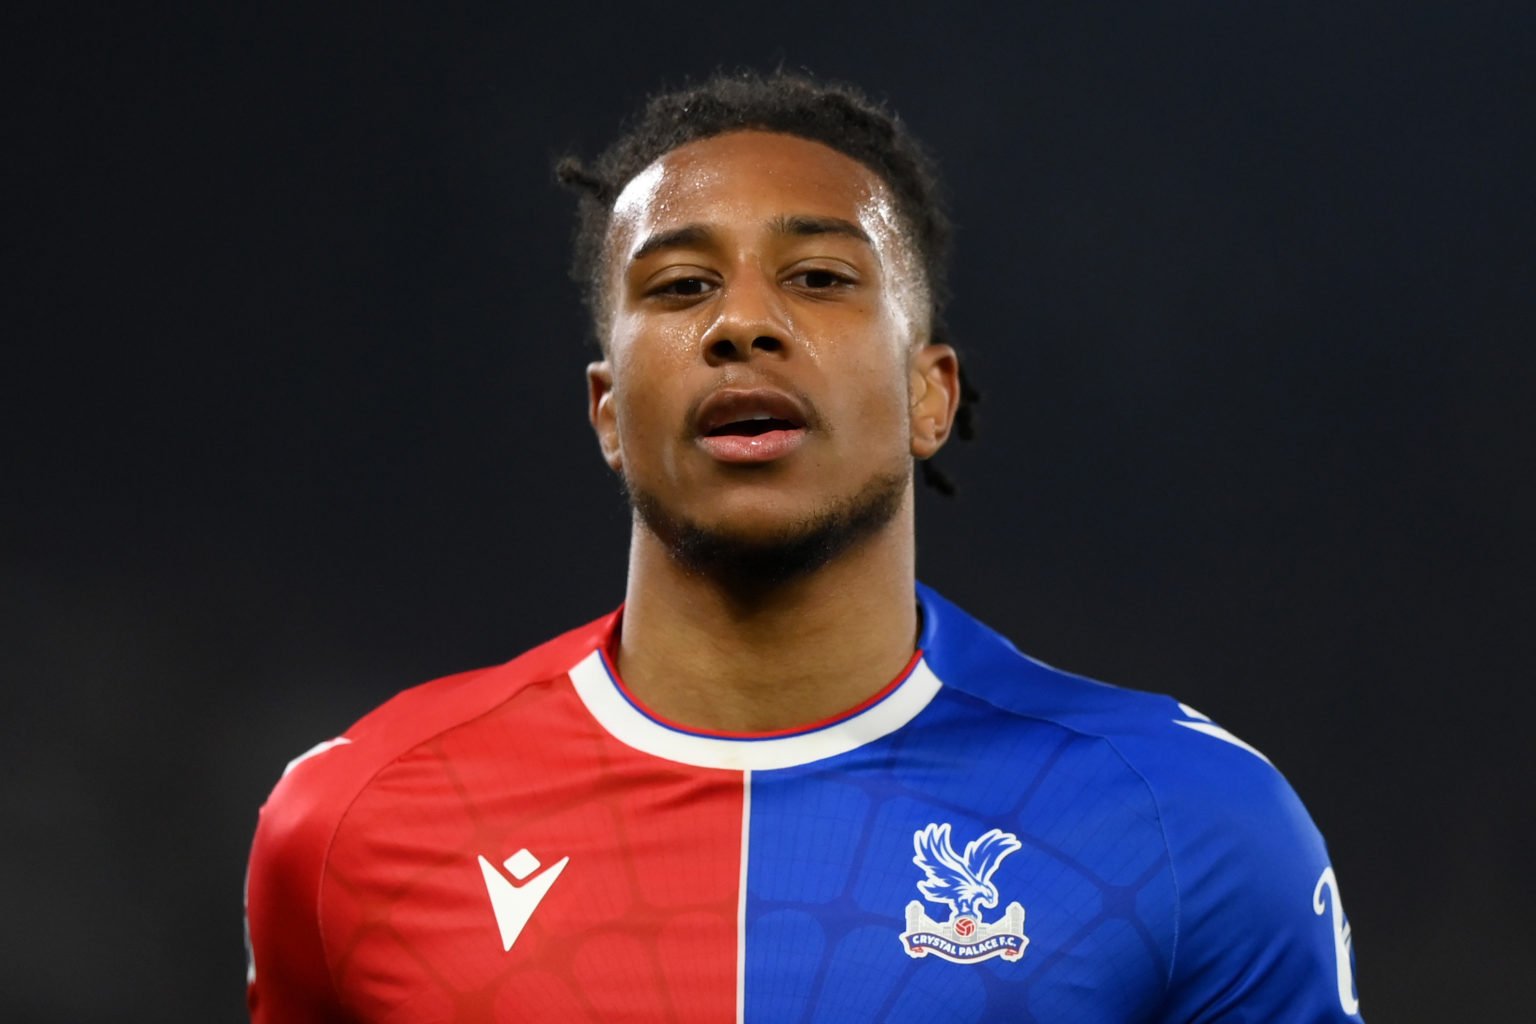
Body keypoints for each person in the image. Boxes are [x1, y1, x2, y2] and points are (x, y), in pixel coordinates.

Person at [244, 71, 1363, 1022]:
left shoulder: (1190, 826)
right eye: (681, 287)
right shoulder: (353, 826)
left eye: (820, 277)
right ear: (605, 411)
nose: (741, 323)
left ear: (932, 396)